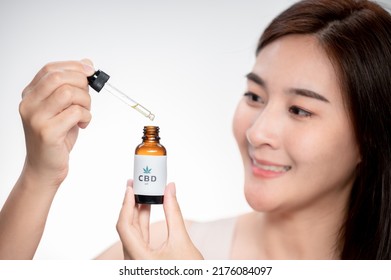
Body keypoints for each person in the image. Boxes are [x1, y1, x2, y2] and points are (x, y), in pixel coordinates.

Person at [0, 0, 390, 260]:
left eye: (300, 110)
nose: (257, 133)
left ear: (369, 136)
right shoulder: (157, 248)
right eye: (254, 96)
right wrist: (39, 176)